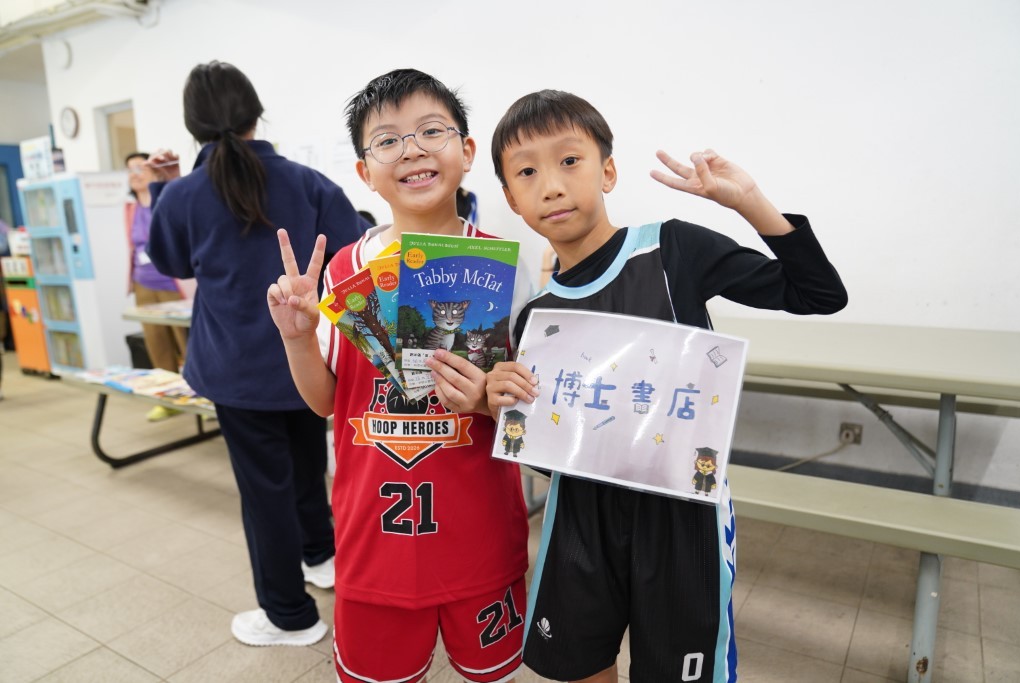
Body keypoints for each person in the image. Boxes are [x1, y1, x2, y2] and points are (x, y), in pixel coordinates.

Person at [486, 90, 848, 683]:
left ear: (607, 171)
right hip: (580, 519)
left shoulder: (672, 249)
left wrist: (750, 203)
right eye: (527, 172)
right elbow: (555, 454)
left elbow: (819, 294)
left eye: (569, 161)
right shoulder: (537, 319)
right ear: (510, 198)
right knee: (580, 668)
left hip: (684, 518)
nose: (550, 186)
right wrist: (505, 408)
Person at [267, 68, 531, 683]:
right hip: (374, 538)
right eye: (388, 140)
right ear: (365, 171)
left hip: (481, 538)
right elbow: (327, 402)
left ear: (467, 151)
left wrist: (487, 402)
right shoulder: (343, 269)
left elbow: (531, 411)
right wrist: (297, 338)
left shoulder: (507, 268)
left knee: (491, 672)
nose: (412, 149)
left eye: (431, 131)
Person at [147, 60, 368, 647]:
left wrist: (159, 188)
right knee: (307, 470)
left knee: (264, 494)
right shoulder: (309, 183)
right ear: (255, 114)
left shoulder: (182, 195)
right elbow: (352, 260)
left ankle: (290, 616)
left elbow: (170, 262)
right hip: (309, 362)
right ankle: (322, 557)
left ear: (193, 125)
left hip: (237, 372)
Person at [124, 151, 189, 421]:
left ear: (153, 170)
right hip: (143, 282)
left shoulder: (165, 200)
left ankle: (200, 394)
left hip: (172, 281)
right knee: (156, 341)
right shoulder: (129, 209)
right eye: (130, 170)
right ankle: (168, 398)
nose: (135, 174)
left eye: (140, 168)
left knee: (186, 341)